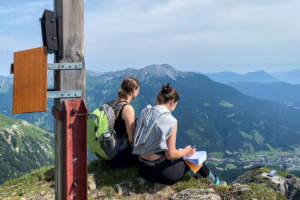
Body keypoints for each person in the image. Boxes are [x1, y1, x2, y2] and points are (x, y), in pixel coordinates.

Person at [133, 83, 227, 186]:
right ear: (172, 101)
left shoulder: (145, 112)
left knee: (183, 153)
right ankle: (217, 182)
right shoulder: (170, 120)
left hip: (142, 169)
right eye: (176, 105)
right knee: (194, 159)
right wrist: (186, 152)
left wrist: (183, 152)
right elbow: (170, 155)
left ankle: (215, 181)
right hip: (161, 173)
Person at [106, 76, 140, 168]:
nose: (138, 92)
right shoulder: (127, 109)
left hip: (110, 152)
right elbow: (131, 140)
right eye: (138, 89)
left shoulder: (112, 103)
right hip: (121, 155)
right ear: (134, 89)